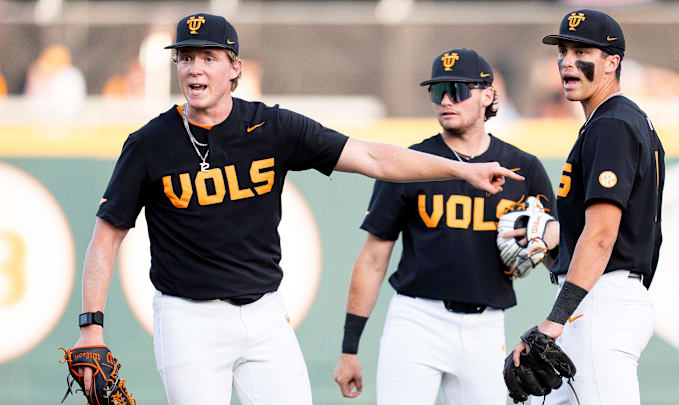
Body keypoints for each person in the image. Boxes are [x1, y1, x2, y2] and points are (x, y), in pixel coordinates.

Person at [71, 14, 522, 405]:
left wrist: (461, 170)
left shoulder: (272, 127)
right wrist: (92, 325)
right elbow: (106, 236)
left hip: (265, 315)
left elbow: (373, 158)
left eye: (209, 58)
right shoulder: (150, 143)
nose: (195, 69)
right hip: (189, 319)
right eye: (186, 58)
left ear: (235, 69)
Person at [333, 48, 557, 405]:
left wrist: (546, 245)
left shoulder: (522, 168)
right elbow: (373, 258)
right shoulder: (410, 163)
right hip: (416, 320)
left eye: (457, 89)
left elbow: (556, 258)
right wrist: (349, 348)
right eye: (437, 91)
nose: (446, 100)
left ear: (487, 94)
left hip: (486, 324)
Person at [510, 9, 665, 405]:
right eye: (563, 51)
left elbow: (601, 237)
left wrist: (554, 322)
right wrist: (549, 244)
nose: (567, 61)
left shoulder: (611, 125)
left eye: (582, 51)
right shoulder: (620, 121)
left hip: (600, 303)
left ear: (613, 62)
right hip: (597, 299)